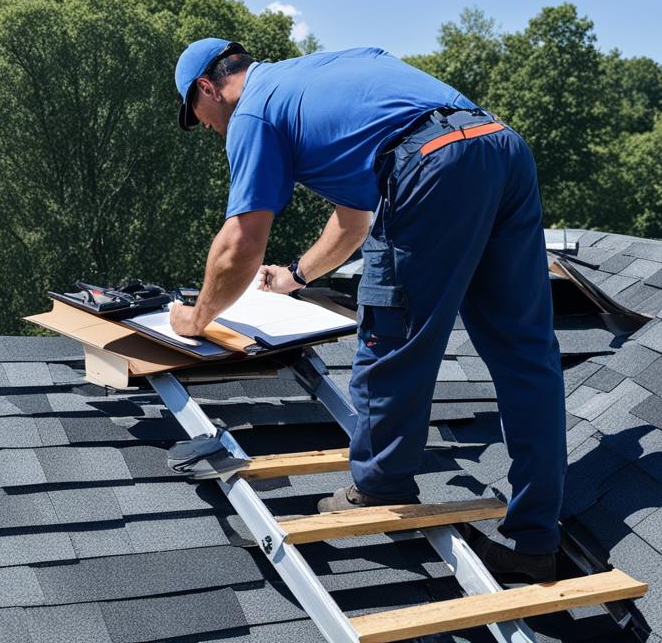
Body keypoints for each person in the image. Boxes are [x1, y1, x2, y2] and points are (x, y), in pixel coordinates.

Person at [167, 38, 566, 583]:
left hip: (430, 162)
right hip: (499, 145)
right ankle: (535, 540)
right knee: (526, 352)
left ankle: (380, 484)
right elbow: (354, 220)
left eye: (198, 117)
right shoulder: (324, 75)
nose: (209, 130)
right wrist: (297, 276)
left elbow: (241, 243)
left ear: (208, 88)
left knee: (391, 334)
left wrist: (196, 318)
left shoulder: (253, 112)